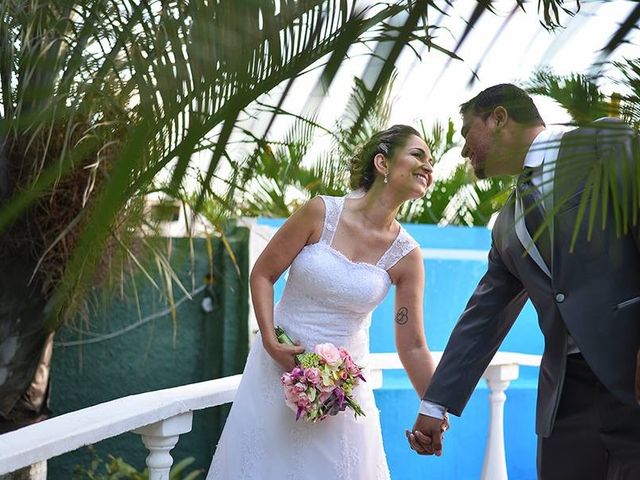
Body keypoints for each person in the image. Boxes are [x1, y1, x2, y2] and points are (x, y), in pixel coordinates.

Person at [407, 84, 640, 479]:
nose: (464, 151)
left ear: (498, 118)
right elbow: (484, 313)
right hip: (565, 398)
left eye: (467, 132)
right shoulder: (506, 225)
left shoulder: (604, 143)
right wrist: (435, 404)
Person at [207, 125, 438, 479]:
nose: (428, 166)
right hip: (275, 370)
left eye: (431, 161)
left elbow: (414, 346)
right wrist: (270, 341)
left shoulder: (407, 257)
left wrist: (435, 409)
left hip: (342, 396)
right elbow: (263, 274)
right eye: (418, 155)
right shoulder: (320, 213)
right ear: (382, 163)